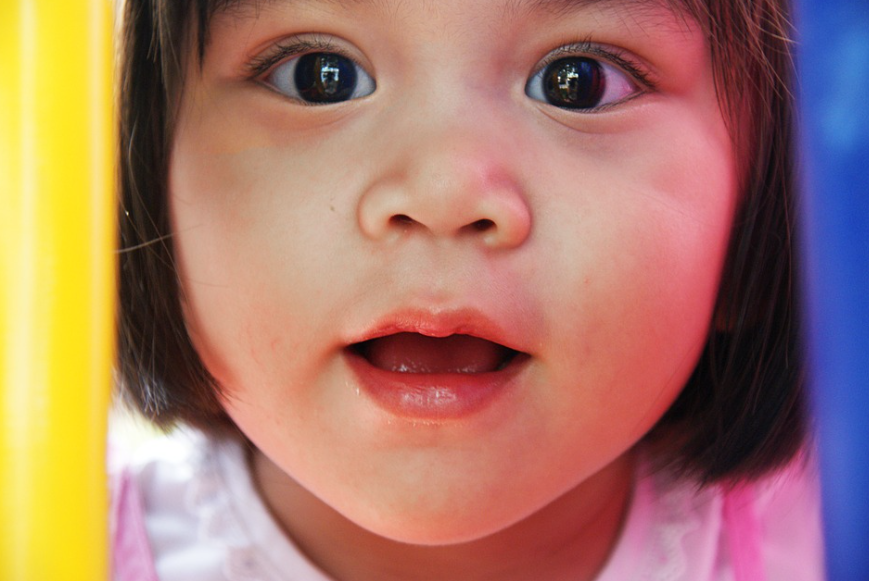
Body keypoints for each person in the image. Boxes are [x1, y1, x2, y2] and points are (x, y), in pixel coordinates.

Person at [111, 0, 825, 579]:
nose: (443, 192)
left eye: (576, 81)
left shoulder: (831, 539)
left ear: (771, 200)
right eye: (319, 77)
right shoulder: (62, 548)